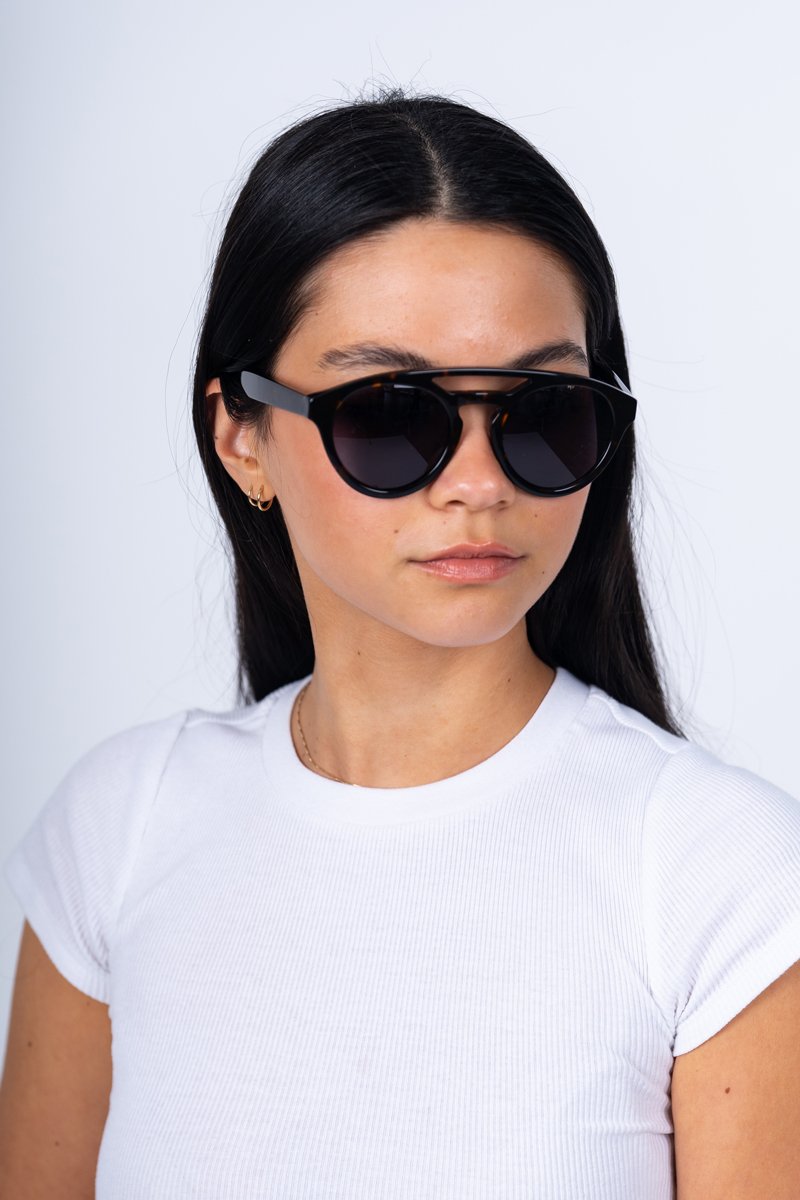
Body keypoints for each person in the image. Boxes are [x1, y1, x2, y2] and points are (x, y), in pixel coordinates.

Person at [1, 87, 799, 1200]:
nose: (476, 484)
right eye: (388, 411)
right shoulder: (118, 831)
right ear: (241, 435)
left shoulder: (727, 878)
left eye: (541, 410)